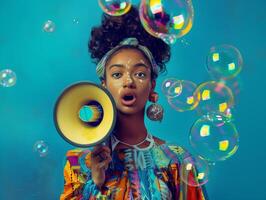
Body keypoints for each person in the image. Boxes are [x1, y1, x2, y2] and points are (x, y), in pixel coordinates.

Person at [60, 6, 208, 200]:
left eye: (139, 74)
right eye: (117, 74)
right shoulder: (78, 161)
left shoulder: (176, 159)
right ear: (103, 85)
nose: (128, 82)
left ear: (152, 85)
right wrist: (95, 182)